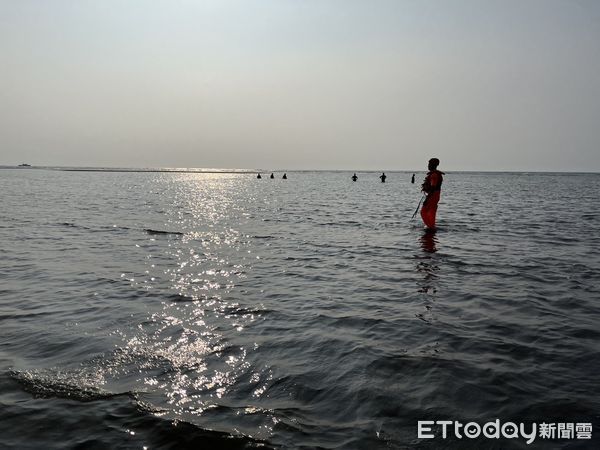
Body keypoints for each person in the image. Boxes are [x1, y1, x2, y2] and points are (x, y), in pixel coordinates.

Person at [420, 158, 444, 229]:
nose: (428, 166)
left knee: (423, 211)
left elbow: (433, 187)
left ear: (434, 165)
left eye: (429, 164)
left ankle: (430, 227)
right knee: (431, 211)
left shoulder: (434, 175)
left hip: (433, 196)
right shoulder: (436, 174)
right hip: (436, 195)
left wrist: (427, 199)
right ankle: (431, 225)